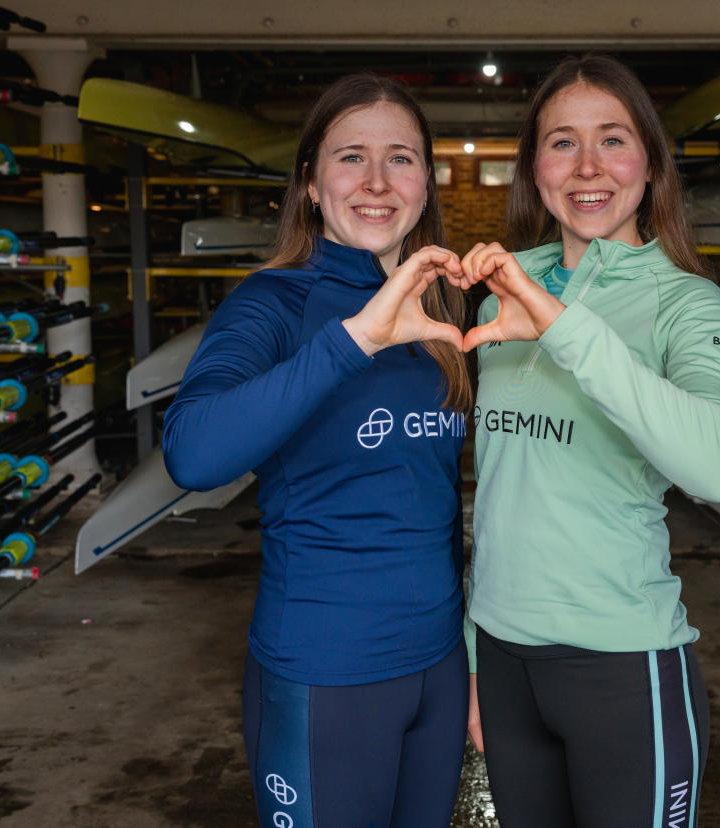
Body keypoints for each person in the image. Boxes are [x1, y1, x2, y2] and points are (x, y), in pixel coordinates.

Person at [451, 55, 720, 827]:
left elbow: (719, 468)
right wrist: (475, 655)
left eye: (612, 140)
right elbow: (500, 489)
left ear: (649, 163)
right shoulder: (507, 284)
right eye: (561, 143)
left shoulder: (686, 304)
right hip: (504, 661)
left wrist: (562, 329)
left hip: (623, 669)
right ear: (533, 168)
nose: (587, 167)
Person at [162, 74, 472, 828]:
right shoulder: (273, 304)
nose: (375, 182)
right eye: (349, 158)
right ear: (308, 182)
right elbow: (193, 457)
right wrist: (355, 339)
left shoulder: (444, 311)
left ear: (425, 182)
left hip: (437, 671)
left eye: (400, 158)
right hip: (324, 674)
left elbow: (439, 501)